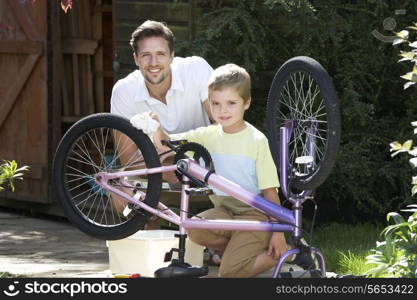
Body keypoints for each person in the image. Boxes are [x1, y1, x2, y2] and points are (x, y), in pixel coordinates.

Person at [153, 64, 315, 277]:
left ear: (246, 103)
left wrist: (277, 233)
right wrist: (153, 125)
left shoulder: (256, 141)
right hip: (226, 212)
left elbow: (269, 193)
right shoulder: (206, 135)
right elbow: (168, 144)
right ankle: (240, 249)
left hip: (256, 215)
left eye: (231, 103)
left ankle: (284, 252)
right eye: (216, 104)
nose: (223, 110)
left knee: (228, 274)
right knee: (193, 228)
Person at [108, 20, 214, 220]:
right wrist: (166, 167)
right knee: (120, 189)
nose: (154, 63)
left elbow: (224, 127)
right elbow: (128, 160)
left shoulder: (196, 69)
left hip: (205, 167)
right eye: (146, 55)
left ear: (172, 55)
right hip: (155, 173)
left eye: (161, 54)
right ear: (136, 58)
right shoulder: (124, 90)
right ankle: (150, 244)